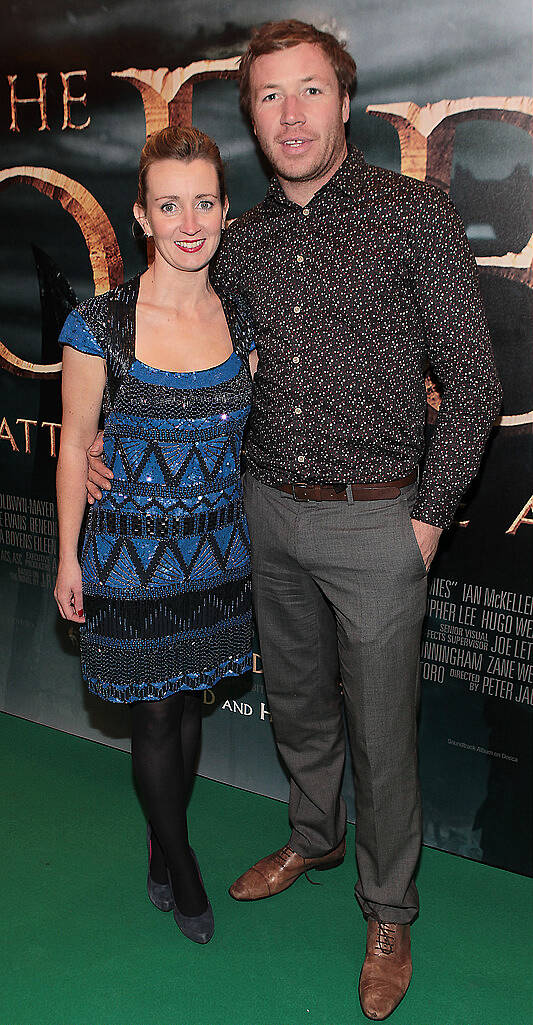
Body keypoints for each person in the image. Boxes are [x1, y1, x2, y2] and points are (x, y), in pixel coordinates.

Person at [87, 20, 502, 1019]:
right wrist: (99, 430)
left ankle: (387, 906)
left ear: (345, 101)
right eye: (269, 96)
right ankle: (311, 834)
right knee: (302, 707)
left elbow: (476, 386)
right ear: (252, 117)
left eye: (307, 91)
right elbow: (173, 340)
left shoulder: (412, 217)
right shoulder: (240, 239)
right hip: (262, 511)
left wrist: (425, 523)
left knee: (380, 735)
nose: (290, 114)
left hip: (379, 522)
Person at [54, 126, 257, 946]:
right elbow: (73, 442)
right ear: (140, 214)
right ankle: (182, 862)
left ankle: (157, 838)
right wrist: (68, 553)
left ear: (222, 210)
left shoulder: (240, 317)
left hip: (215, 555)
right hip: (129, 562)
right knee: (153, 715)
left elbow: (242, 434)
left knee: (191, 701)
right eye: (168, 204)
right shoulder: (100, 323)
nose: (187, 221)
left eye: (203, 202)